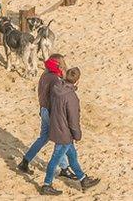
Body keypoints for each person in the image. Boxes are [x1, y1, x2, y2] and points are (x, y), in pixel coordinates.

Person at [40, 67, 100, 196]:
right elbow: (73, 120)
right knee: (55, 159)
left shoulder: (56, 88)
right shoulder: (71, 97)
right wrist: (77, 135)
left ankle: (83, 179)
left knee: (72, 156)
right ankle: (46, 185)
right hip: (64, 133)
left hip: (56, 127)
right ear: (77, 81)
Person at [17, 54, 72, 178]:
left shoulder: (44, 75)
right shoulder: (55, 79)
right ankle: (64, 168)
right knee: (60, 139)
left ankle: (25, 161)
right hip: (51, 112)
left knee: (43, 138)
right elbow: (57, 98)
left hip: (43, 110)